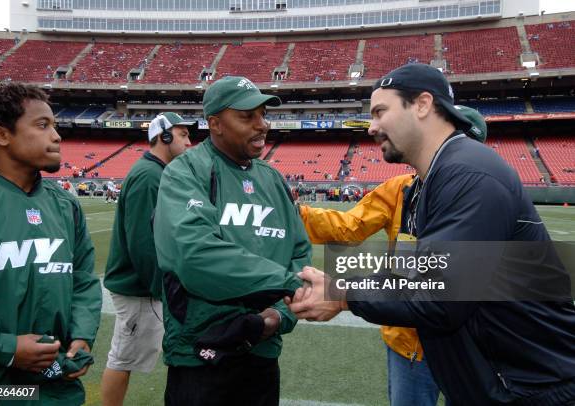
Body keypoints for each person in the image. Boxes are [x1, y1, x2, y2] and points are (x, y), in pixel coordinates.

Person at [288, 64, 575, 405]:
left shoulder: (468, 173)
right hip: (502, 377)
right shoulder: (427, 183)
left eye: (380, 111)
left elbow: (439, 293)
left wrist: (341, 292)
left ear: (423, 105)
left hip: (531, 386)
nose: (372, 127)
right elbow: (414, 273)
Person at [298, 105, 487, 406]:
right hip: (409, 340)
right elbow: (349, 226)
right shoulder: (400, 190)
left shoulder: (489, 196)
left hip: (472, 343)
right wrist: (297, 215)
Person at [153, 76, 311, 406]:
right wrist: (286, 285)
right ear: (215, 124)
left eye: (263, 115)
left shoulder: (272, 178)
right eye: (247, 116)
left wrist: (281, 315)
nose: (262, 125)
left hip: (264, 352)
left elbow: (299, 251)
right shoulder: (185, 172)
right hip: (202, 354)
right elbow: (194, 255)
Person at [0, 83, 102, 405]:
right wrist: (4, 347)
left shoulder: (66, 204)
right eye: (43, 125)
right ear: (1, 135)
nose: (57, 136)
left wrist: (81, 335)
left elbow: (82, 280)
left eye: (55, 125)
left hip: (57, 389)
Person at [101, 112, 194, 406]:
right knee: (123, 357)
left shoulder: (156, 172)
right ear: (164, 137)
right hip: (139, 287)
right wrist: (164, 290)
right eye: (183, 135)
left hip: (146, 286)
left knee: (129, 355)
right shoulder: (148, 176)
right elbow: (143, 244)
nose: (189, 142)